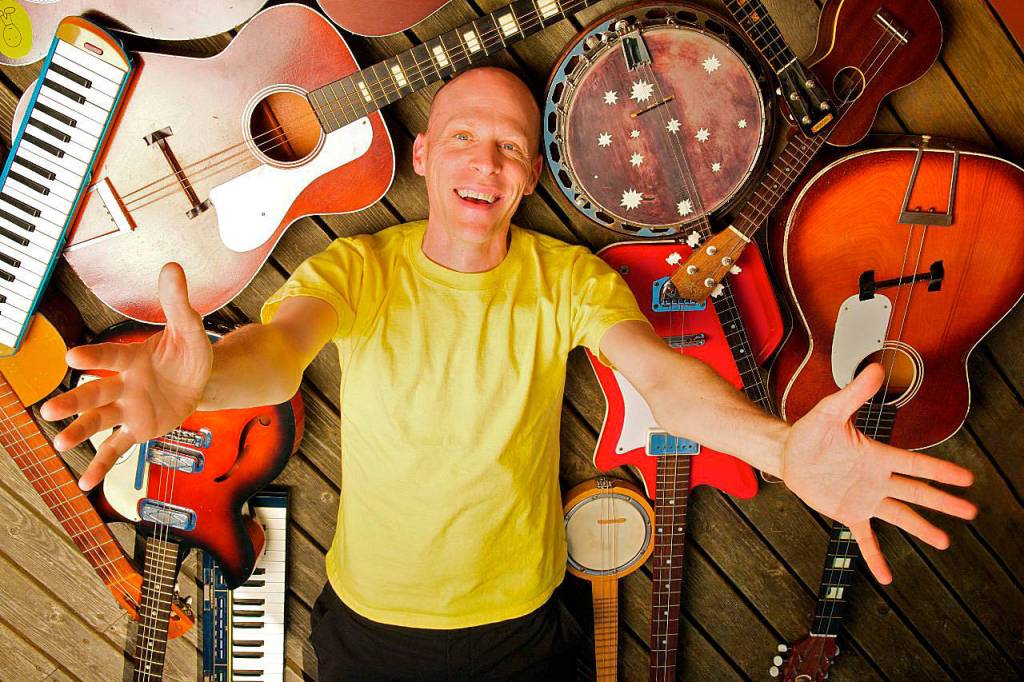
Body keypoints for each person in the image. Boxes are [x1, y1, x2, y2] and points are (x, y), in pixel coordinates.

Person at [40, 68, 976, 680]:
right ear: (422, 155)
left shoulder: (569, 279)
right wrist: (199, 383)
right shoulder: (358, 269)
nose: (483, 162)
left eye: (510, 147)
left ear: (528, 176)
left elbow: (661, 379)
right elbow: (278, 354)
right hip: (370, 632)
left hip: (526, 631)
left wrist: (780, 447)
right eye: (462, 137)